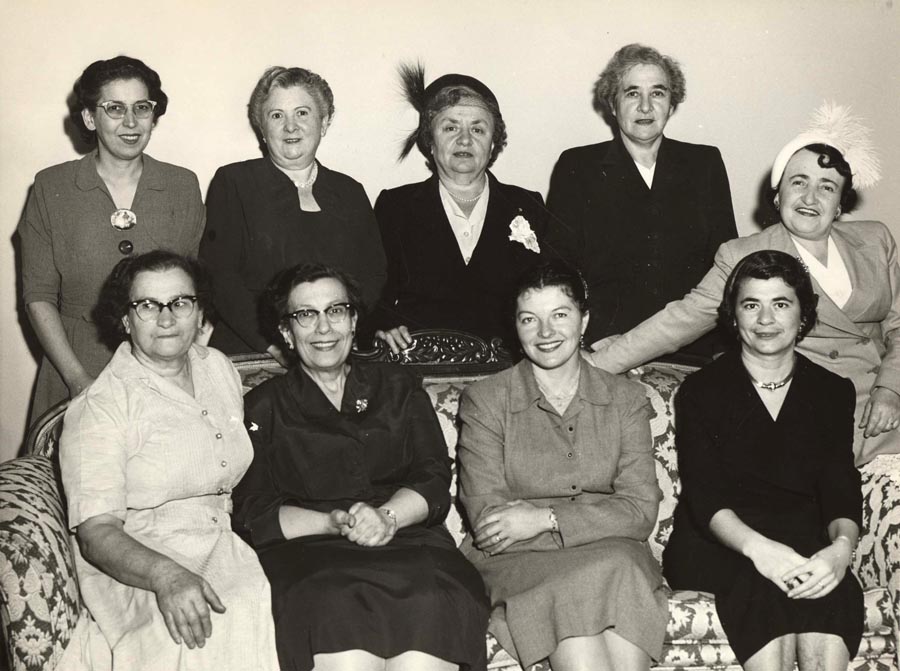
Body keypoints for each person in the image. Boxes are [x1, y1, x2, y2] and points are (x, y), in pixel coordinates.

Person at [232, 263, 489, 671]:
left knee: (427, 620)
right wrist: (333, 523)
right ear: (286, 332)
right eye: (305, 314)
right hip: (312, 556)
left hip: (411, 544)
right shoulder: (262, 405)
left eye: (336, 311)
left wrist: (386, 518)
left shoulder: (399, 385)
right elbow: (254, 511)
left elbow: (433, 477)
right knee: (343, 639)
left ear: (353, 321)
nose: (323, 328)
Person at [58, 251, 278, 670]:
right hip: (140, 557)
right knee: (195, 635)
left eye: (180, 303)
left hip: (221, 543)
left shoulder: (217, 368)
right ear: (125, 319)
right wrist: (166, 577)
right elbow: (96, 532)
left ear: (199, 314)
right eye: (147, 305)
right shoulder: (102, 405)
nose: (166, 318)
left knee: (258, 605)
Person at [457, 261, 667, 671]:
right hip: (523, 562)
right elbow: (490, 523)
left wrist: (544, 519)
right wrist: (599, 521)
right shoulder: (486, 400)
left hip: (610, 555)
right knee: (591, 579)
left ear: (584, 319)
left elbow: (641, 511)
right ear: (515, 327)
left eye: (560, 315)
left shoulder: (625, 399)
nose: (546, 333)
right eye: (529, 320)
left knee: (616, 568)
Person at [664, 250, 863, 670]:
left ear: (803, 315)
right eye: (751, 304)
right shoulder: (701, 391)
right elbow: (705, 497)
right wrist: (761, 551)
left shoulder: (832, 391)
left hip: (802, 535)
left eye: (782, 304)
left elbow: (839, 486)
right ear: (733, 317)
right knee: (762, 586)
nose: (766, 319)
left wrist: (840, 550)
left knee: (827, 590)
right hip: (720, 541)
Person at [19, 55, 205, 424]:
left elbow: (196, 293)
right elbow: (37, 297)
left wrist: (181, 363)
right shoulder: (51, 186)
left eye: (142, 107)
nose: (131, 122)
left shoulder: (182, 185)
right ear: (90, 118)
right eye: (115, 109)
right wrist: (76, 379)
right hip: (74, 366)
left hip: (162, 367)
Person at [547, 43, 736, 358]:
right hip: (608, 343)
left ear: (672, 103)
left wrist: (724, 346)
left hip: (695, 345)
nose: (646, 107)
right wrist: (592, 339)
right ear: (612, 103)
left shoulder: (705, 164)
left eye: (658, 93)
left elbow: (725, 263)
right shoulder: (577, 167)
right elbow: (560, 267)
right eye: (632, 93)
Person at [200, 66, 386, 359]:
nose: (291, 127)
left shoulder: (350, 191)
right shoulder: (234, 182)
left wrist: (341, 335)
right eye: (277, 116)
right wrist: (275, 344)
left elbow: (373, 275)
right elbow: (220, 277)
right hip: (255, 352)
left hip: (336, 350)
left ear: (324, 122)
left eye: (302, 113)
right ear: (262, 128)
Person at [373, 65, 552, 352]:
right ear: (430, 141)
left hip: (506, 368)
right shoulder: (395, 207)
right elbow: (375, 294)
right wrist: (384, 325)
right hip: (420, 363)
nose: (465, 140)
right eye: (451, 127)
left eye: (478, 129)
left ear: (493, 142)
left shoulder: (529, 205)